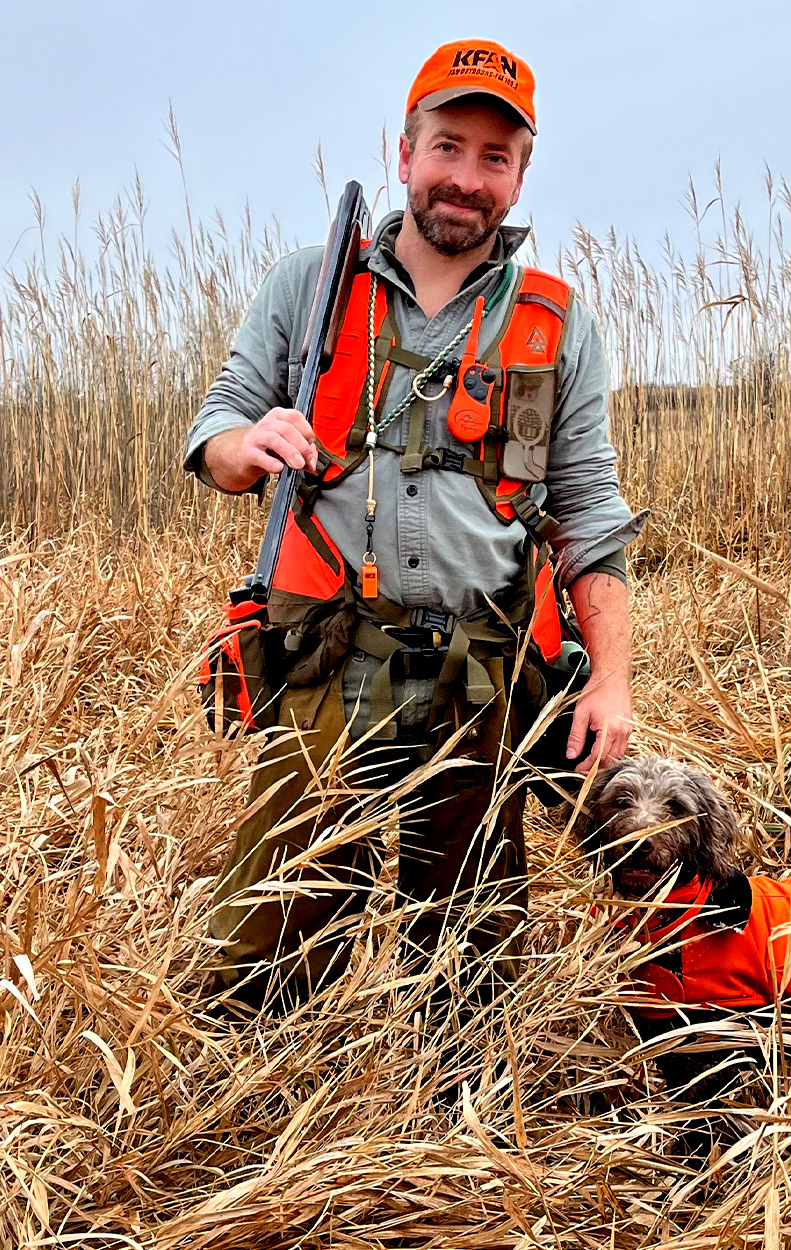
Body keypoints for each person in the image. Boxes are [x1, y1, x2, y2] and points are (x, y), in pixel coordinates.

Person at [186, 38, 645, 1015]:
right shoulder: (312, 285)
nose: (468, 177)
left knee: (474, 956)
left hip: (481, 668)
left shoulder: (555, 323)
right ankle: (244, 1118)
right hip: (324, 654)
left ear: (521, 173)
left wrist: (609, 680)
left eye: (494, 156)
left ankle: (456, 1133)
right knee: (271, 932)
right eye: (449, 146)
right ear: (405, 154)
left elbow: (590, 518)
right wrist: (248, 440)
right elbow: (216, 429)